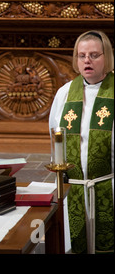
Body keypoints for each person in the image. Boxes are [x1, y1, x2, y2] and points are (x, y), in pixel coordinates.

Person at [49, 30, 114, 253]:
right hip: (74, 189)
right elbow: (54, 134)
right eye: (81, 55)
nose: (87, 60)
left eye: (94, 55)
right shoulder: (65, 94)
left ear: (108, 57)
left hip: (109, 187)